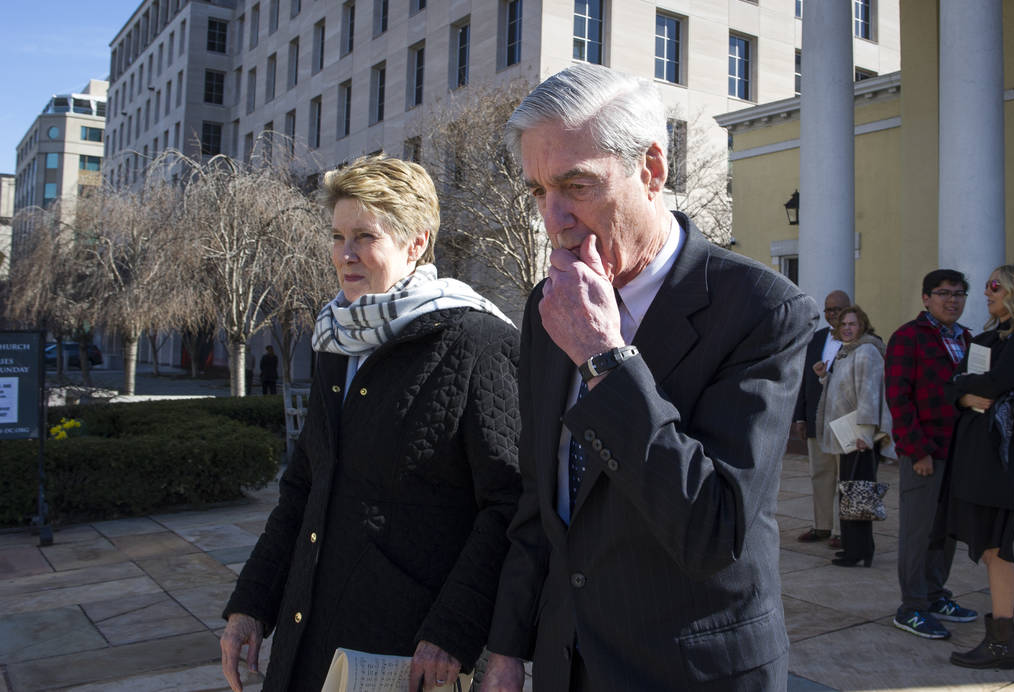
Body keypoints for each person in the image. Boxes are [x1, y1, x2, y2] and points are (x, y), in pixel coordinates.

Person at [480, 64, 817, 692]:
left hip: (690, 673)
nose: (554, 220)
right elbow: (541, 501)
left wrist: (604, 359)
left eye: (577, 185)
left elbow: (714, 529)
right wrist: (505, 649)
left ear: (652, 168)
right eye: (537, 191)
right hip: (566, 664)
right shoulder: (546, 305)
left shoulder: (761, 309)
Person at [220, 155, 522, 692]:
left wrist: (454, 631)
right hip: (306, 640)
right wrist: (251, 602)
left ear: (417, 243)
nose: (346, 254)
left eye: (365, 236)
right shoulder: (335, 341)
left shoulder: (478, 343)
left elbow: (510, 505)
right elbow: (302, 487)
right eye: (338, 237)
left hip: (404, 653)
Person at [942, 264, 1014, 669]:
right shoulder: (988, 337)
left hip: (1003, 456)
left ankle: (1003, 641)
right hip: (979, 453)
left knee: (995, 547)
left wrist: (964, 389)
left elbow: (994, 384)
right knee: (990, 548)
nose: (986, 292)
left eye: (994, 286)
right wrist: (963, 394)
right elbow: (960, 385)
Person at [885, 269, 979, 639]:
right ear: (926, 298)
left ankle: (936, 594)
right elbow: (898, 398)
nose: (952, 300)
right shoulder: (909, 337)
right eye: (943, 293)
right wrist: (917, 450)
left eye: (959, 294)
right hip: (925, 453)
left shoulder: (970, 339)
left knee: (945, 531)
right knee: (918, 532)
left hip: (960, 453)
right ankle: (912, 607)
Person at [814, 305, 896, 568]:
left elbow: (869, 394)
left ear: (863, 326)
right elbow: (844, 391)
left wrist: (864, 434)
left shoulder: (867, 352)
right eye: (844, 324)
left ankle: (859, 550)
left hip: (858, 437)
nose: (847, 328)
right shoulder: (847, 353)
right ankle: (855, 547)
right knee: (851, 492)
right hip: (846, 435)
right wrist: (824, 377)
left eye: (853, 323)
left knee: (857, 493)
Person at [793, 290, 851, 548]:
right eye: (828, 310)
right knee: (820, 473)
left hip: (846, 421)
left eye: (837, 309)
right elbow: (804, 380)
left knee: (844, 477)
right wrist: (800, 417)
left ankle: (843, 529)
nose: (831, 314)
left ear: (850, 310)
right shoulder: (815, 340)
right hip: (817, 418)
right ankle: (822, 526)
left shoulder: (861, 341)